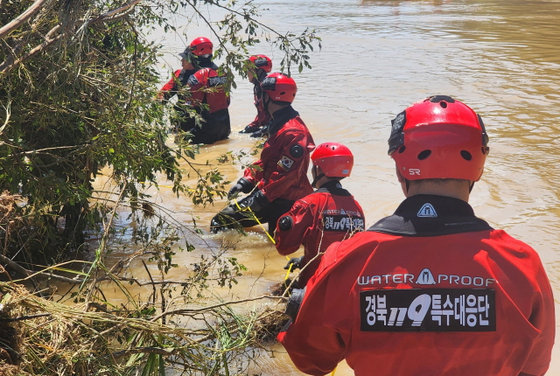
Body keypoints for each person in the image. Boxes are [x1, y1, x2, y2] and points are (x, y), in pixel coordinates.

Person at [278, 95, 555, 376]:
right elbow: (534, 368)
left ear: (400, 170)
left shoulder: (348, 259)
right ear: (479, 169)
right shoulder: (522, 264)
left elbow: (310, 360)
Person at [210, 73, 315, 234]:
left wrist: (259, 199)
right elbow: (269, 161)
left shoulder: (294, 132)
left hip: (287, 200)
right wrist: (246, 181)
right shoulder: (278, 124)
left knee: (278, 242)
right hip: (272, 196)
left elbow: (286, 176)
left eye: (261, 95)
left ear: (268, 97)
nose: (258, 100)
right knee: (222, 221)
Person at [275, 142, 365, 287]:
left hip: (313, 286)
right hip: (344, 286)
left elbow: (285, 247)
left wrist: (283, 226)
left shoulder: (309, 204)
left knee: (275, 289)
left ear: (317, 169)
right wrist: (303, 259)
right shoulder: (356, 208)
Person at [159, 37, 230, 144]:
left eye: (185, 58)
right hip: (223, 130)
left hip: (200, 132)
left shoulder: (199, 76)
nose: (181, 60)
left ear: (193, 59)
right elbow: (161, 97)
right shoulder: (220, 73)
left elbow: (190, 108)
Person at [239, 55, 273, 137]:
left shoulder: (267, 89)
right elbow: (262, 114)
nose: (247, 73)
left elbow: (275, 116)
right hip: (267, 126)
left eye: (249, 70)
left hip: (273, 126)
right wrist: (252, 125)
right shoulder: (258, 88)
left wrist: (265, 130)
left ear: (258, 71)